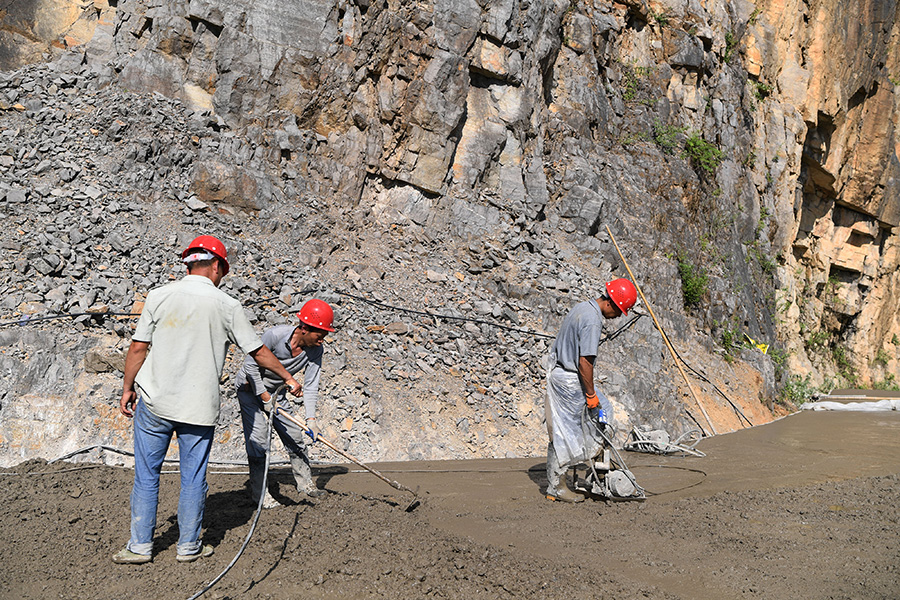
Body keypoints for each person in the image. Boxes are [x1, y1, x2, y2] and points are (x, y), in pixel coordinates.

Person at [112, 235, 302, 564]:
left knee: (146, 474)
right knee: (193, 477)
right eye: (222, 271)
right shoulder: (227, 306)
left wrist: (128, 387)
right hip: (198, 409)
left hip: (155, 402)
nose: (222, 277)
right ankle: (188, 547)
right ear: (215, 266)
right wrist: (288, 377)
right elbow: (256, 351)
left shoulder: (159, 296)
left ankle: (140, 547)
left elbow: (138, 348)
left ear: (190, 263)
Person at [235, 299, 336, 508]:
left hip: (276, 393)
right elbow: (250, 367)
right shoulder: (274, 336)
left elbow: (310, 385)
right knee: (258, 440)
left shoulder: (316, 350)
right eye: (320, 334)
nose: (322, 340)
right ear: (305, 328)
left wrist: (311, 420)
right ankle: (260, 494)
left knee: (294, 435)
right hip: (249, 389)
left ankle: (306, 484)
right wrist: (264, 397)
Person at [544, 278, 637, 502]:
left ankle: (595, 471)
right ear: (611, 304)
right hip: (569, 380)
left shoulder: (582, 307)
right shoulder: (593, 321)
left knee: (573, 426)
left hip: (560, 374)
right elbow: (585, 362)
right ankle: (558, 486)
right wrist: (591, 396)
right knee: (578, 427)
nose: (617, 317)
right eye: (619, 311)